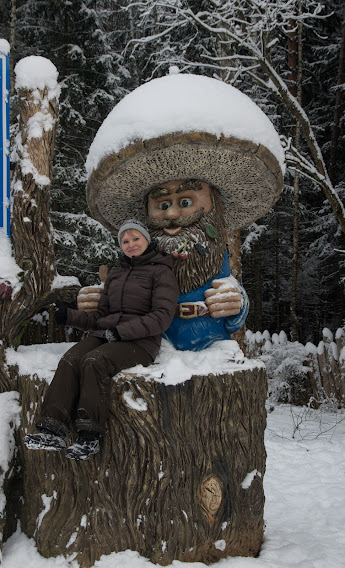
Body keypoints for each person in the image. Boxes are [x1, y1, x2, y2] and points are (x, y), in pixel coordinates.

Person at [24, 219, 179, 460]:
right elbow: (102, 317)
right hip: (106, 334)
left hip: (141, 342)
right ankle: (52, 430)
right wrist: (70, 317)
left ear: (147, 240)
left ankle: (89, 436)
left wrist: (121, 332)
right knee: (71, 358)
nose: (131, 244)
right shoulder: (116, 274)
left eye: (135, 239)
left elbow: (161, 317)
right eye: (125, 241)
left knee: (95, 361)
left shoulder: (161, 271)